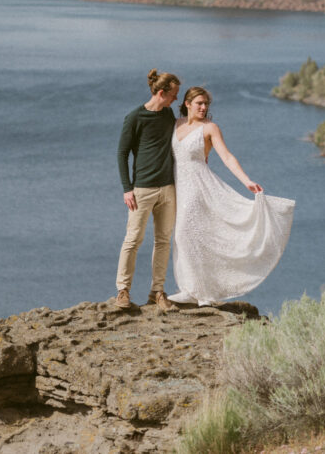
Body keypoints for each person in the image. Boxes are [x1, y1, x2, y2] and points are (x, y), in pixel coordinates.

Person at [168, 86, 294, 306]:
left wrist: (246, 181)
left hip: (198, 186)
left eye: (206, 103)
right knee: (185, 237)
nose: (204, 107)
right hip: (177, 186)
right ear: (187, 104)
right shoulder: (175, 125)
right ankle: (194, 288)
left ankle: (197, 292)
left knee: (185, 233)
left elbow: (226, 156)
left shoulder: (210, 128)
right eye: (199, 103)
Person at [114, 69, 180, 311]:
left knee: (163, 240)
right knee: (133, 239)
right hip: (141, 190)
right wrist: (126, 189)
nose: (176, 99)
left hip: (168, 189)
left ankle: (157, 291)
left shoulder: (169, 114)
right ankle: (123, 290)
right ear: (161, 93)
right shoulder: (134, 117)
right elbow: (122, 154)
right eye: (173, 95)